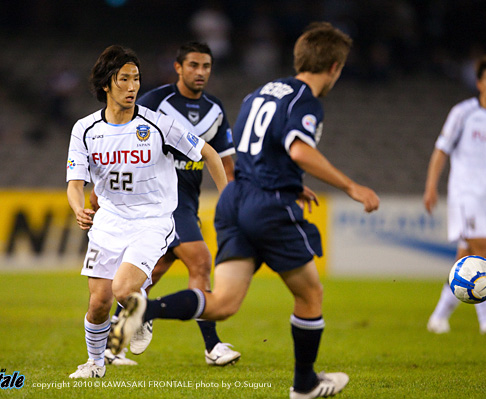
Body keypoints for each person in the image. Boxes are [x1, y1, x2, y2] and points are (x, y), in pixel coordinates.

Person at [108, 23, 380, 399]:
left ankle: (146, 311)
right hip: (264, 205)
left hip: (236, 201)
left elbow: (245, 153)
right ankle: (304, 385)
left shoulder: (260, 93)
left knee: (222, 303)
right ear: (334, 66)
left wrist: (286, 179)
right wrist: (352, 186)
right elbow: (299, 150)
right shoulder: (305, 100)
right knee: (311, 295)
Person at [66, 44, 227, 379]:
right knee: (98, 303)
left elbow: (210, 154)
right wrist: (78, 208)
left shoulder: (158, 125)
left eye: (136, 78)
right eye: (124, 79)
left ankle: (144, 314)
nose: (133, 86)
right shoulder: (84, 129)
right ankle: (95, 363)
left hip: (152, 221)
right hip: (109, 222)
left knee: (124, 290)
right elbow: (75, 182)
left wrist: (228, 198)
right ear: (107, 84)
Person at [103, 41, 239, 367]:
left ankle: (116, 339)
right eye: (193, 65)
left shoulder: (215, 110)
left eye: (206, 66)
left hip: (188, 202)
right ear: (178, 67)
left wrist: (233, 199)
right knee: (201, 262)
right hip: (162, 201)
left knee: (153, 272)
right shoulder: (155, 102)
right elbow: (122, 142)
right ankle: (212, 346)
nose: (200, 72)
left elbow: (226, 162)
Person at [424, 55, 486, 335]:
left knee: (465, 257)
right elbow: (441, 150)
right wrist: (431, 186)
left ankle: (438, 317)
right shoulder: (463, 112)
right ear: (480, 84)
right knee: (485, 250)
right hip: (464, 194)